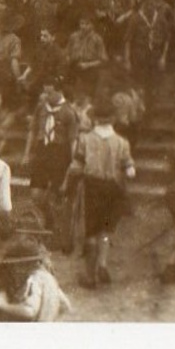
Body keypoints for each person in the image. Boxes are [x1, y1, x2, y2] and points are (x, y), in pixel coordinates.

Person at [70, 111, 135, 288]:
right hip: (113, 189)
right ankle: (103, 266)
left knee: (90, 231)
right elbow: (130, 170)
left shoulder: (85, 139)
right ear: (113, 119)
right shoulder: (122, 142)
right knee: (105, 230)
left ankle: (90, 278)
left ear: (95, 119)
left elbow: (76, 166)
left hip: (93, 187)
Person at [0, 236, 72, 322]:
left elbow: (30, 311)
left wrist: (4, 306)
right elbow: (66, 305)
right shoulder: (47, 276)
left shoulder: (34, 279)